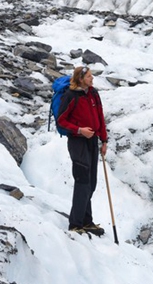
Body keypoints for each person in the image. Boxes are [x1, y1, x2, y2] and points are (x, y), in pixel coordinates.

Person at [57, 66, 109, 236]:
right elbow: (61, 121)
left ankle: (87, 221)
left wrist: (104, 139)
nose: (92, 78)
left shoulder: (93, 93)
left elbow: (99, 116)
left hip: (92, 141)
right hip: (78, 142)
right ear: (80, 79)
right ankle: (75, 223)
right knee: (82, 182)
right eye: (88, 76)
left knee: (91, 182)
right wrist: (79, 130)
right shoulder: (71, 96)